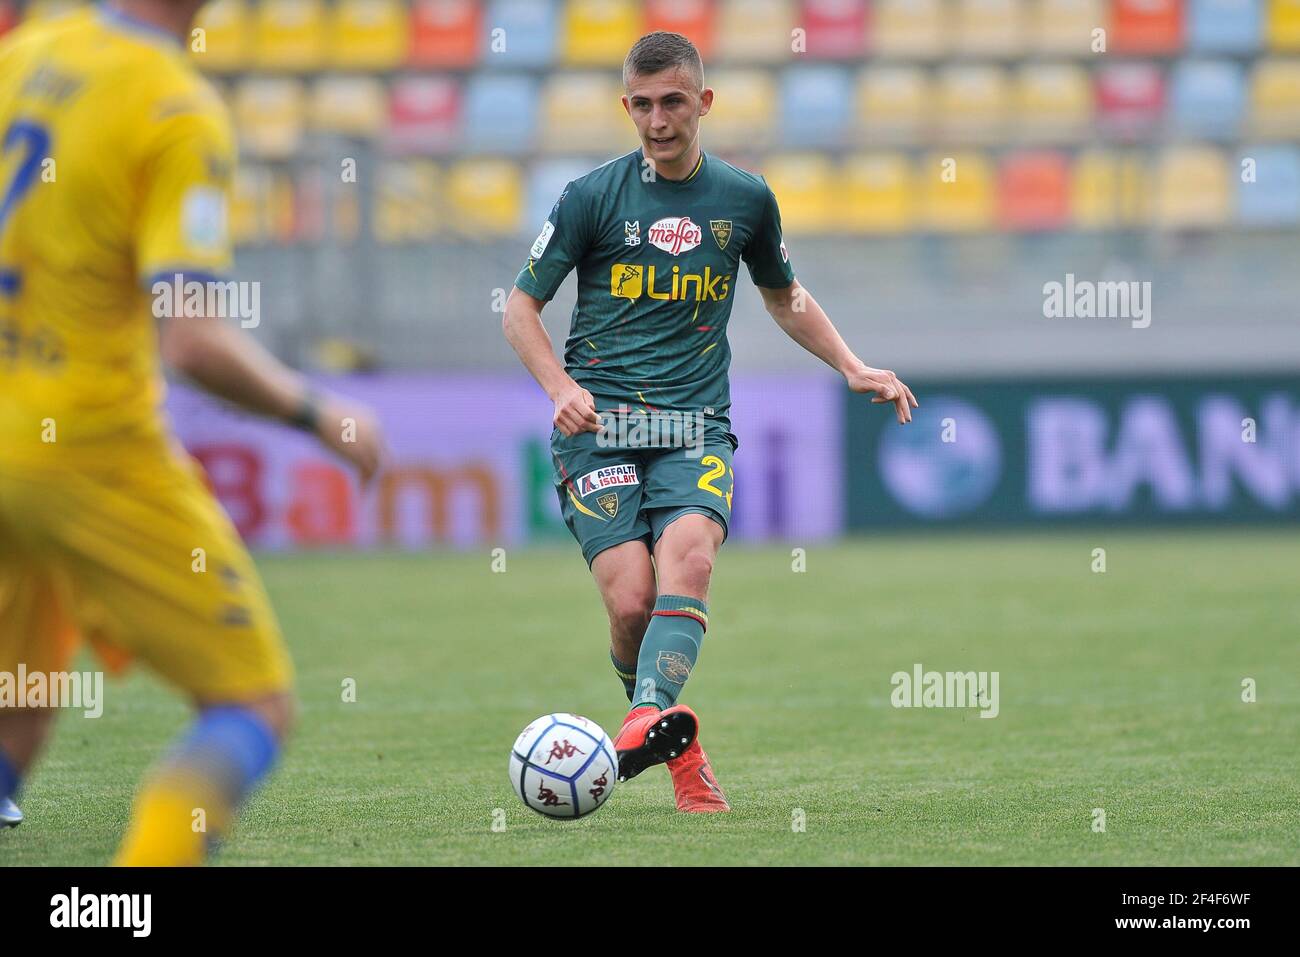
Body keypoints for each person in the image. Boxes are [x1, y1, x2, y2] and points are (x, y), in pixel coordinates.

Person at [0, 0, 384, 862]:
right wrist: (320, 411)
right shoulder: (174, 108)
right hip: (83, 447)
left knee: (16, 703)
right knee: (253, 705)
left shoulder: (26, 53)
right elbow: (194, 337)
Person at [503, 31, 917, 812]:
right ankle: (679, 747)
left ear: (704, 102)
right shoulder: (590, 197)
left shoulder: (745, 199)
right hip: (599, 431)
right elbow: (520, 309)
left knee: (688, 560)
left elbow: (785, 296)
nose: (657, 120)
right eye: (642, 105)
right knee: (630, 604)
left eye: (672, 102)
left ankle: (638, 720)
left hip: (694, 428)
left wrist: (852, 365)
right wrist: (558, 385)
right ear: (626, 106)